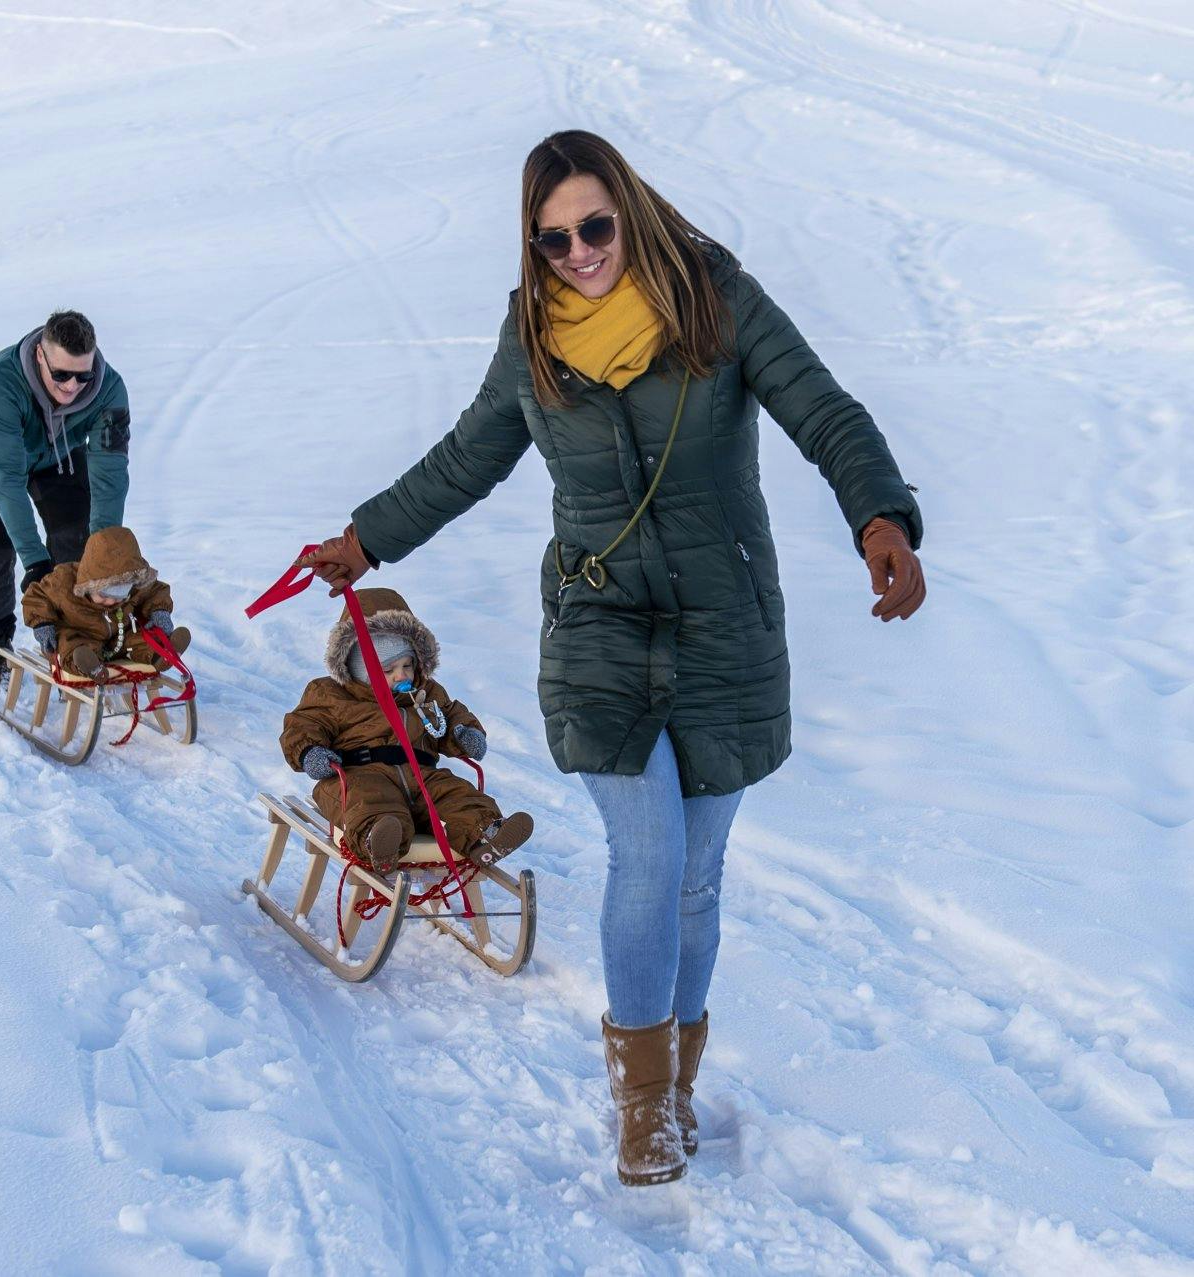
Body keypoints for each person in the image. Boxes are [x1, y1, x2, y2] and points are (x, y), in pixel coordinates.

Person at [299, 130, 926, 1187]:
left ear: (630, 209)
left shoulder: (713, 299)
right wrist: (365, 539)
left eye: (596, 226)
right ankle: (640, 1107)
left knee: (698, 872)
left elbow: (822, 407)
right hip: (598, 627)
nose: (580, 252)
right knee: (651, 853)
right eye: (554, 240)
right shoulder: (534, 334)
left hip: (725, 620)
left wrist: (880, 515)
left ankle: (677, 1079)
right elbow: (470, 453)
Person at [279, 588, 534, 872]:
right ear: (358, 667)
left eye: (407, 665)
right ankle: (379, 839)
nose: (402, 675)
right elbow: (303, 725)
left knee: (457, 794)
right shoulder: (330, 693)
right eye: (388, 669)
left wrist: (464, 734)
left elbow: (449, 716)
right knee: (368, 802)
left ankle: (486, 834)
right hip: (359, 774)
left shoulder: (426, 692)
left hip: (422, 775)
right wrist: (310, 752)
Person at [0, 310, 131, 686]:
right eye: (61, 374)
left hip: (57, 452)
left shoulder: (110, 390)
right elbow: (4, 478)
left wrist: (104, 550)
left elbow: (109, 475)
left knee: (76, 540)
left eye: (83, 375)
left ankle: (75, 640)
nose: (72, 386)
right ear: (40, 357)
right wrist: (34, 562)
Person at [21, 527, 188, 678]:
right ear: (90, 582)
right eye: (104, 594)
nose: (111, 601)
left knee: (139, 639)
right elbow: (36, 595)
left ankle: (162, 654)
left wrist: (160, 611)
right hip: (80, 636)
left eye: (121, 594)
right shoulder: (63, 581)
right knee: (69, 643)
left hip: (120, 639)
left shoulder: (135, 585)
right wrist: (42, 624)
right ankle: (88, 667)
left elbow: (155, 590)